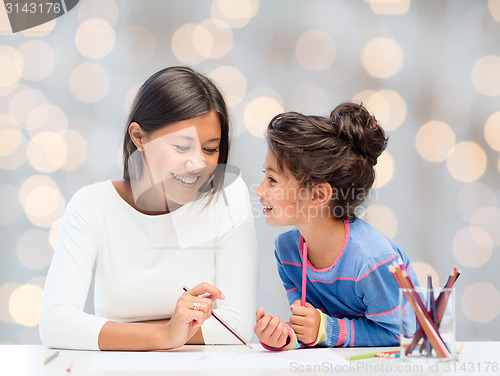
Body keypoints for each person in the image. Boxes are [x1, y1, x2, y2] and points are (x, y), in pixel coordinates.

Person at [39, 66, 258, 351]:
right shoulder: (92, 206)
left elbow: (237, 327)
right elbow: (55, 323)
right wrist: (166, 334)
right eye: (181, 147)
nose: (198, 164)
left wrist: (114, 333)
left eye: (210, 149)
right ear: (139, 137)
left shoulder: (226, 195)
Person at [254, 102, 419, 350]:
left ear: (319, 195)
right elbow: (311, 328)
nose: (259, 190)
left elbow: (403, 333)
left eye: (272, 179)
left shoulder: (372, 260)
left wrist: (324, 330)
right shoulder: (287, 252)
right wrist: (285, 336)